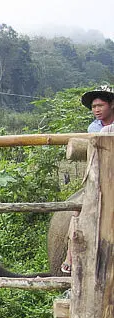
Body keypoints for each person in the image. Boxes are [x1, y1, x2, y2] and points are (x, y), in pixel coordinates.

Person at [60, 87, 114, 274]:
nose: (96, 109)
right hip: (97, 177)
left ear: (111, 105)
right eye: (93, 106)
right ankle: (70, 254)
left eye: (100, 105)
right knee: (76, 211)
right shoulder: (93, 128)